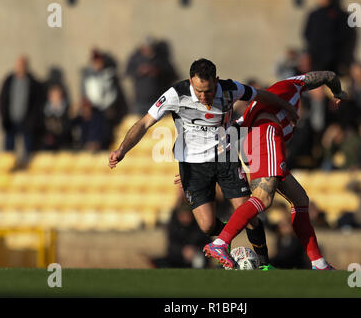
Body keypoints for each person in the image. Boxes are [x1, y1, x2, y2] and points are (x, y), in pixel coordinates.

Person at [109, 58, 298, 270]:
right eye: (198, 91)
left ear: (216, 81)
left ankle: (265, 265)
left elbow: (260, 94)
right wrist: (122, 150)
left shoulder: (229, 89)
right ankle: (228, 236)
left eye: (208, 91)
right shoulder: (175, 94)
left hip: (225, 158)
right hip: (193, 166)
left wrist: (287, 108)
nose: (203, 96)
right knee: (208, 225)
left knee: (249, 213)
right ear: (190, 81)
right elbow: (144, 122)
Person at [204, 71, 347, 269]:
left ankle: (318, 262)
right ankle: (221, 243)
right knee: (264, 198)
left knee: (300, 199)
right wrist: (338, 92)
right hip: (267, 133)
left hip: (257, 142)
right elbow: (328, 75)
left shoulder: (250, 114)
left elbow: (229, 134)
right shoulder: (291, 85)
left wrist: (199, 166)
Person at [0, 55, 45, 167]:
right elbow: (2, 99)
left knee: (29, 148)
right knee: (9, 149)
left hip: (27, 121)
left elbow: (37, 104)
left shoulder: (33, 82)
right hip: (11, 120)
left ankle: (28, 169)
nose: (20, 67)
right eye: (19, 65)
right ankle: (8, 168)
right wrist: (4, 116)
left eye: (23, 65)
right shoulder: (9, 80)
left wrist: (33, 121)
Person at [150, 203, 211, 268]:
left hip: (196, 257)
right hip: (178, 258)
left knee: (199, 259)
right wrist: (182, 251)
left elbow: (207, 245)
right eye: (182, 215)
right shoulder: (174, 227)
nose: (185, 218)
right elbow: (171, 246)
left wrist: (195, 251)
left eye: (187, 215)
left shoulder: (200, 227)